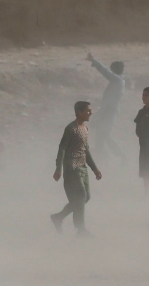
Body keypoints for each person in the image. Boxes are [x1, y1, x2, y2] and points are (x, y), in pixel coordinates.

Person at [51, 101, 102, 236]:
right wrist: (58, 168)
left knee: (85, 198)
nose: (90, 113)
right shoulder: (71, 129)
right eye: (88, 111)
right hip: (72, 167)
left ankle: (58, 217)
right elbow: (62, 148)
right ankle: (80, 229)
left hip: (82, 167)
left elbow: (86, 150)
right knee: (80, 197)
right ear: (79, 112)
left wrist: (94, 168)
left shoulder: (85, 129)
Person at [86, 52, 127, 160]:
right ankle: (101, 159)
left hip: (110, 111)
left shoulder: (118, 80)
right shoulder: (116, 82)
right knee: (100, 135)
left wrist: (93, 60)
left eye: (112, 69)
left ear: (115, 70)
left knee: (105, 135)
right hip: (106, 111)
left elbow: (105, 71)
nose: (111, 71)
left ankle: (122, 157)